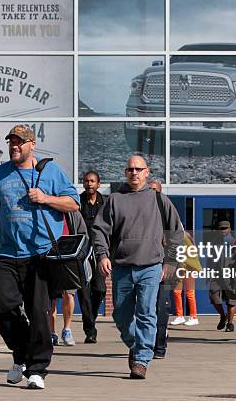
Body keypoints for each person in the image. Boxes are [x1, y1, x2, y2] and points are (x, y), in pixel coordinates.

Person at [0, 124, 79, 390]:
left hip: (40, 254)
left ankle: (37, 369)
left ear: (32, 144)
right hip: (7, 253)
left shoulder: (51, 171)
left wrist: (45, 198)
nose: (14, 146)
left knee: (39, 313)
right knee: (1, 306)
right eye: (11, 142)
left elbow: (73, 203)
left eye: (19, 142)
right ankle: (20, 353)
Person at [94, 155, 182, 379]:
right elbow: (99, 230)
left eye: (138, 169)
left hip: (151, 267)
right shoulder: (114, 199)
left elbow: (176, 232)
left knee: (146, 313)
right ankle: (136, 344)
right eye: (130, 169)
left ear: (147, 172)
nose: (134, 172)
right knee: (121, 317)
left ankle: (142, 360)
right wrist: (103, 255)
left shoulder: (159, 200)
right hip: (122, 267)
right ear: (126, 172)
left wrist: (170, 262)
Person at [49, 210, 88, 346]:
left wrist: (78, 252)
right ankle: (51, 332)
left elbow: (83, 233)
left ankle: (67, 329)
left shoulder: (72, 211)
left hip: (68, 257)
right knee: (50, 299)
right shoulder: (45, 207)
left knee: (69, 294)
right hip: (49, 257)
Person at [77, 170, 106, 343]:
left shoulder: (106, 202)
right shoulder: (77, 202)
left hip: (99, 251)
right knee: (84, 293)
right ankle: (90, 331)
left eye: (92, 181)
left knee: (100, 289)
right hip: (81, 252)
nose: (89, 184)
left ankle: (91, 318)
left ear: (98, 184)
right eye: (87, 181)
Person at [148, 179, 173, 359]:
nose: (153, 195)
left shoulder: (167, 209)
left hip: (164, 267)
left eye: (156, 191)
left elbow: (178, 237)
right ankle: (144, 344)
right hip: (145, 266)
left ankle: (160, 347)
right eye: (150, 191)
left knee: (161, 308)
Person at [209, 221, 236, 332]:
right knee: (214, 297)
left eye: (225, 228)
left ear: (230, 229)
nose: (223, 230)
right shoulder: (215, 242)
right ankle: (222, 315)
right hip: (216, 274)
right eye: (221, 228)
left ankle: (230, 323)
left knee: (231, 300)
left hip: (231, 275)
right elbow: (211, 258)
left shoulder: (234, 242)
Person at [170, 231, 200, 327]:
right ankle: (180, 316)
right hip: (180, 268)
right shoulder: (179, 236)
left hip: (189, 268)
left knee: (189, 292)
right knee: (176, 292)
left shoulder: (182, 236)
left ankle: (194, 317)